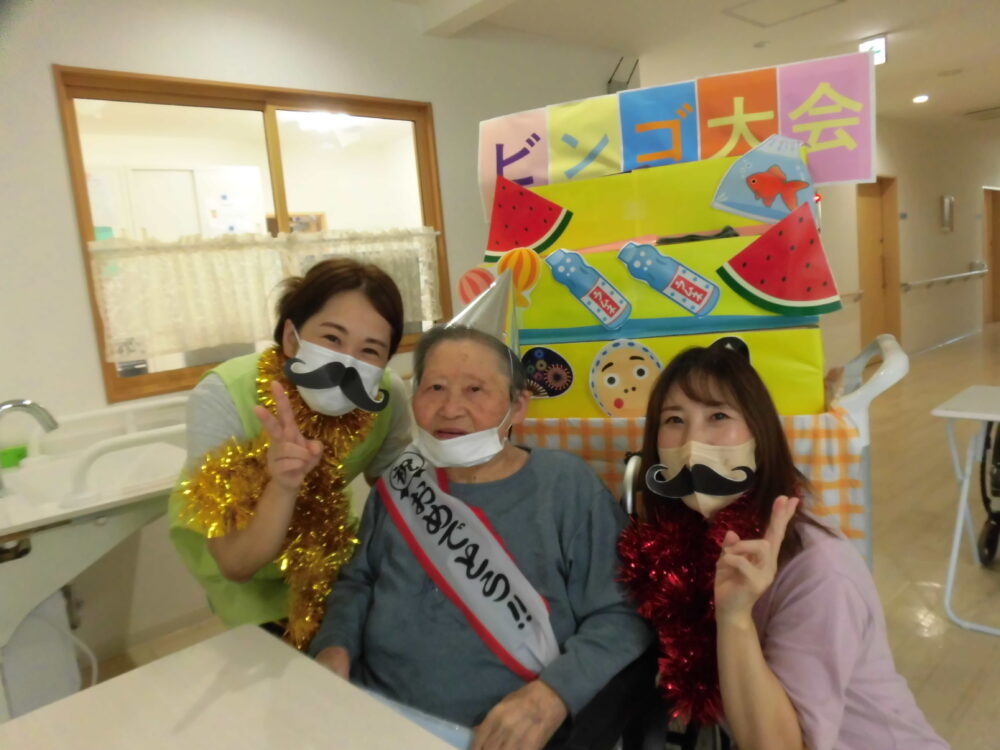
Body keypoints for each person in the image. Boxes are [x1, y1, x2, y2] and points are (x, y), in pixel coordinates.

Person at [309, 325, 653, 750]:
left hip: (503, 735)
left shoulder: (566, 486)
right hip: (372, 717)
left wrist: (552, 697)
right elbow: (357, 581)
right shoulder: (399, 482)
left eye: (475, 390)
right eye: (435, 388)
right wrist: (334, 647)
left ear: (518, 405)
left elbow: (621, 615)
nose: (451, 408)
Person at [618, 337, 949, 750]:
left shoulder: (819, 569)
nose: (692, 441)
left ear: (759, 433)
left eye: (718, 415)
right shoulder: (683, 545)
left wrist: (735, 617)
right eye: (673, 420)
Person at [168, 257, 412, 649]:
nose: (347, 363)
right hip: (243, 563)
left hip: (325, 552)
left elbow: (398, 493)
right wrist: (282, 484)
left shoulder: (386, 397)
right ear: (291, 338)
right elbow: (235, 563)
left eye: (370, 350)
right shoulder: (224, 394)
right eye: (332, 338)